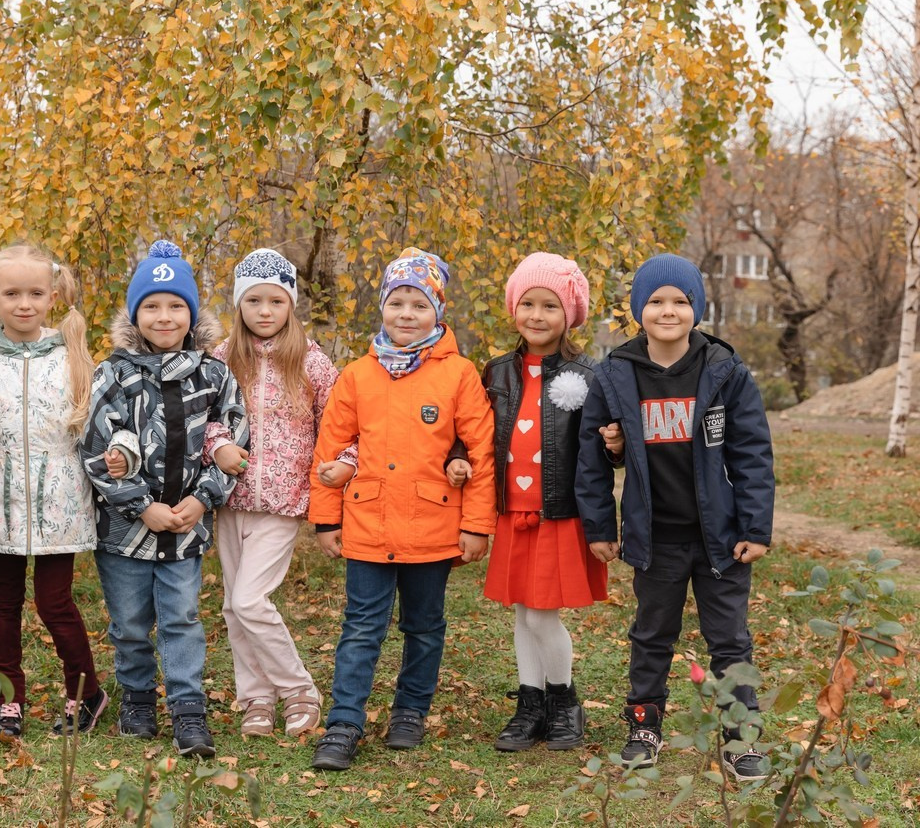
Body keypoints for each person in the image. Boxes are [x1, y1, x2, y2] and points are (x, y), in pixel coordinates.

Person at [575, 252, 774, 781]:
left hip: (721, 538)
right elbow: (592, 457)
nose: (668, 311)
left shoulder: (724, 371)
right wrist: (599, 528)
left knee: (729, 639)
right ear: (639, 309)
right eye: (656, 301)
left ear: (697, 309)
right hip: (654, 535)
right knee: (652, 634)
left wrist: (756, 527)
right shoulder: (615, 375)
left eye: (681, 302)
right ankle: (644, 725)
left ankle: (742, 736)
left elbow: (752, 452)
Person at [307, 247, 495, 772]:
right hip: (366, 523)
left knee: (424, 624)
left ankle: (411, 710)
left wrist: (476, 524)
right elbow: (330, 449)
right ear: (383, 308)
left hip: (432, 526)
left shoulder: (458, 375)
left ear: (437, 310)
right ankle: (344, 722)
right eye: (397, 303)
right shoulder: (357, 376)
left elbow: (480, 451)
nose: (406, 314)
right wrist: (326, 518)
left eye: (418, 304)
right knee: (362, 626)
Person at [81, 239, 247, 758]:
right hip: (125, 529)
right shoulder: (114, 373)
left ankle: (188, 710)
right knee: (129, 622)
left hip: (186, 525)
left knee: (180, 618)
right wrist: (139, 505)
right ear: (136, 315)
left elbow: (236, 441)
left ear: (192, 314)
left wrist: (204, 498)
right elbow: (92, 446)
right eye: (151, 306)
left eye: (176, 305)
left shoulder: (212, 374)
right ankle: (136, 699)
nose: (164, 315)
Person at [446, 252, 612, 751]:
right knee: (522, 612)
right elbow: (470, 428)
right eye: (527, 304)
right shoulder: (496, 372)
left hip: (558, 512)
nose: (536, 316)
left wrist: (616, 447)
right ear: (514, 308)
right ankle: (530, 704)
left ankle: (565, 703)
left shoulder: (587, 374)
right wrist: (457, 455)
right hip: (512, 510)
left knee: (543, 614)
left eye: (550, 306)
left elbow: (602, 452)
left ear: (570, 315)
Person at [0, 244, 105, 740]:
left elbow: (103, 424)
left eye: (36, 293)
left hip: (60, 501)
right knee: (4, 603)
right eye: (12, 293)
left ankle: (86, 693)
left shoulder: (72, 353)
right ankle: (9, 701)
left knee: (54, 602)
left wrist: (122, 455)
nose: (24, 304)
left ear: (53, 295)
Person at [202, 249, 357, 737]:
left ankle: (299, 689)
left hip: (284, 502)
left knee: (250, 600)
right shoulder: (219, 360)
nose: (264, 311)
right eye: (253, 300)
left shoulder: (312, 363)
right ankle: (256, 699)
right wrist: (219, 444)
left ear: (290, 304)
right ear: (239, 304)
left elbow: (343, 425)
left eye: (275, 300)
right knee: (233, 604)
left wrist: (346, 464)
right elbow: (199, 417)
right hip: (230, 497)